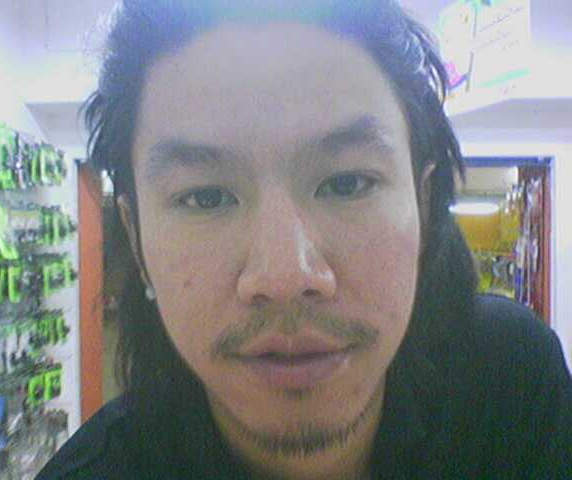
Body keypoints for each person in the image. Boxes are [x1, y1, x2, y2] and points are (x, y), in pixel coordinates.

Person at [37, 1, 572, 479]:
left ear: (425, 203)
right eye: (205, 197)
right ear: (135, 240)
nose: (286, 278)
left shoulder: (513, 385)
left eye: (347, 183)